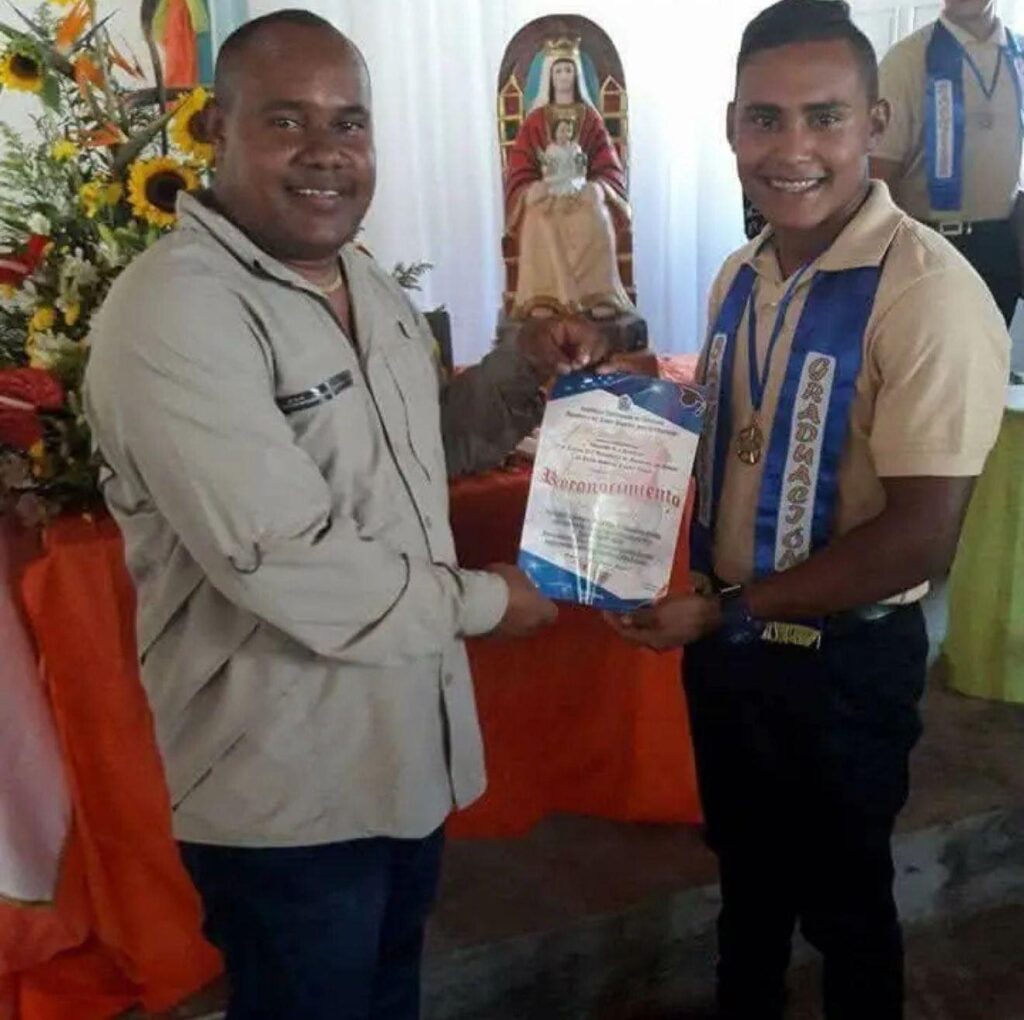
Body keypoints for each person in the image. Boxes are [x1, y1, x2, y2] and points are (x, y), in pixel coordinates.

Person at [84, 11, 609, 1019]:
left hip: (399, 753)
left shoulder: (362, 281)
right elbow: (288, 558)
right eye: (287, 120)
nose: (326, 150)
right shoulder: (177, 313)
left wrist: (522, 370)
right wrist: (489, 603)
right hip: (287, 787)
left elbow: (424, 450)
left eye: (348, 122)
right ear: (218, 129)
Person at [605, 2, 1008, 1017]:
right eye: (764, 119)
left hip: (841, 667)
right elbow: (737, 428)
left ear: (875, 122)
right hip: (730, 650)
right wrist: (622, 388)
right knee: (745, 888)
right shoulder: (740, 274)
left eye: (823, 117)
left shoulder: (928, 294)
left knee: (846, 912)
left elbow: (920, 537)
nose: (791, 150)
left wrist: (725, 611)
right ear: (731, 127)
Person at [870, 0, 1023, 326]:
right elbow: (877, 177)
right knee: (927, 352)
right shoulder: (908, 60)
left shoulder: (1018, 56)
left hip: (1001, 246)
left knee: (990, 351)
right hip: (928, 244)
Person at [504, 37, 634, 319]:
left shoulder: (591, 119)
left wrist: (600, 188)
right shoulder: (535, 121)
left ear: (576, 75)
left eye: (569, 70)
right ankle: (542, 298)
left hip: (580, 197)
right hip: (547, 201)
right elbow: (520, 168)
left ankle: (598, 295)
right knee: (535, 220)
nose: (564, 76)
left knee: (598, 218)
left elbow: (608, 165)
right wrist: (530, 190)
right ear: (550, 76)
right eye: (559, 70)